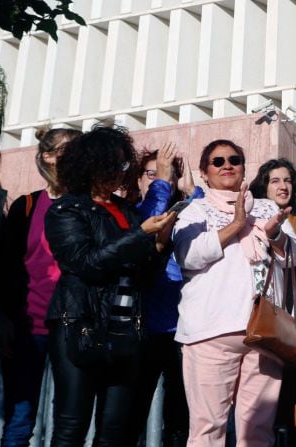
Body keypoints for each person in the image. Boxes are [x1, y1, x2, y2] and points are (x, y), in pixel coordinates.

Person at [45, 125, 177, 447]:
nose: (121, 173)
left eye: (124, 165)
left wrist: (159, 247)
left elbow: (142, 273)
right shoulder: (66, 209)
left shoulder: (129, 212)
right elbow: (86, 263)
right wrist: (141, 235)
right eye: (114, 164)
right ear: (92, 164)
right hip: (78, 322)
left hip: (124, 326)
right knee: (71, 423)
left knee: (114, 429)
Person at [172, 139, 296, 447]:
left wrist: (275, 233)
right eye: (218, 161)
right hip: (209, 333)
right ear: (204, 173)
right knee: (207, 429)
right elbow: (188, 255)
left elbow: (293, 258)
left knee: (257, 432)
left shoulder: (268, 207)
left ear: (243, 167)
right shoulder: (194, 211)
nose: (227, 165)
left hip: (264, 334)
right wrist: (237, 224)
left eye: (234, 159)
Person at [0, 127, 80, 447]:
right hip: (29, 325)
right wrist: (5, 320)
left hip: (73, 326)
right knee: (20, 418)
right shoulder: (27, 206)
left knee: (68, 419)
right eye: (64, 150)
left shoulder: (91, 206)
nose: (72, 157)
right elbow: (6, 269)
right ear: (46, 156)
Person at [130, 144, 190, 447]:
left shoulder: (184, 212)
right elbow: (150, 228)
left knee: (179, 415)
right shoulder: (134, 212)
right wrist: (163, 184)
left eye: (165, 174)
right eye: (151, 174)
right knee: (132, 413)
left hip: (179, 329)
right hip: (141, 328)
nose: (158, 180)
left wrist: (190, 188)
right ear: (140, 179)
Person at [249, 158, 296, 447]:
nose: (283, 186)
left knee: (287, 396)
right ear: (264, 185)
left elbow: (295, 257)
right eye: (275, 181)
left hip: (286, 321)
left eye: (287, 180)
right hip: (255, 315)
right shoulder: (252, 217)